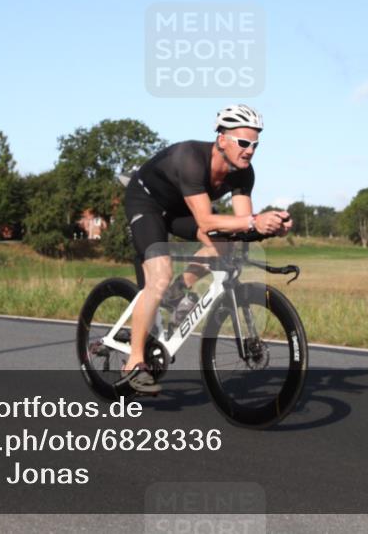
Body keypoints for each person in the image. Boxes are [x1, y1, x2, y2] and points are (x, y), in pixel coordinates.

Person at [120, 105, 293, 393]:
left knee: (226, 243)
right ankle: (134, 362)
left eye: (255, 145)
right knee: (159, 275)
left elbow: (242, 226)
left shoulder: (243, 173)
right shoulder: (190, 158)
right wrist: (253, 221)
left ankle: (176, 292)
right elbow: (204, 220)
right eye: (243, 143)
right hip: (147, 202)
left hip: (180, 209)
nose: (250, 150)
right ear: (222, 138)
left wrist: (270, 226)